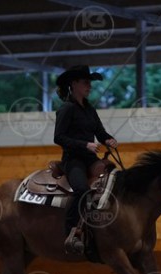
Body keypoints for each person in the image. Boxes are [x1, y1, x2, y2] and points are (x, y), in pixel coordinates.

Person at [54, 65, 118, 254]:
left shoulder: (89, 109)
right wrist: (85, 144)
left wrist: (108, 139)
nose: (89, 86)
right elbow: (59, 137)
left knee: (114, 180)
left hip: (90, 158)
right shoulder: (66, 109)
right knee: (81, 190)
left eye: (90, 83)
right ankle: (71, 233)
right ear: (74, 84)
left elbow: (99, 131)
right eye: (85, 82)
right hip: (73, 159)